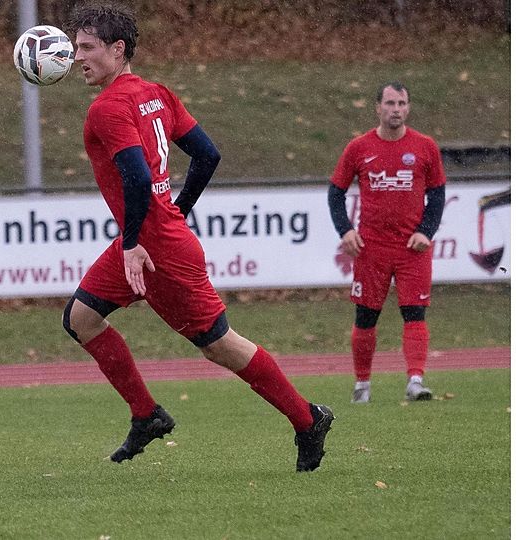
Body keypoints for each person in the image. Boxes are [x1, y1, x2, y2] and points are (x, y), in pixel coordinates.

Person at [61, 2, 333, 472]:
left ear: (117, 49)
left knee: (219, 345)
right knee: (81, 317)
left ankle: (308, 419)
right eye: (74, 47)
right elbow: (207, 155)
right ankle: (146, 415)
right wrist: (175, 212)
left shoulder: (107, 107)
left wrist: (132, 242)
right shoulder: (157, 94)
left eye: (86, 47)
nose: (76, 57)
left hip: (154, 249)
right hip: (153, 237)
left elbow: (137, 177)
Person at [327, 81, 447, 403]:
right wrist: (345, 230)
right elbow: (335, 193)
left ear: (408, 108)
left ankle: (415, 381)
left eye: (402, 103)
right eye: (390, 103)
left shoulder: (425, 147)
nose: (396, 110)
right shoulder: (359, 148)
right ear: (377, 107)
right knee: (366, 316)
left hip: (412, 249)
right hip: (372, 249)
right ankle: (362, 386)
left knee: (415, 312)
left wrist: (427, 230)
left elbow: (437, 195)